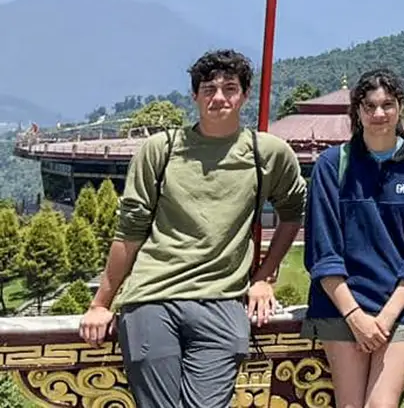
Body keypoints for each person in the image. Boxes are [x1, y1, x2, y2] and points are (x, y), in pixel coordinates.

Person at [78, 49, 308, 408]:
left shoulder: (267, 154)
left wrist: (264, 276)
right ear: (195, 95)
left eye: (230, 88)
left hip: (222, 299)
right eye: (209, 89)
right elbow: (131, 231)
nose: (219, 97)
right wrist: (100, 304)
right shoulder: (162, 150)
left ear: (245, 95)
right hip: (152, 297)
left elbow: (292, 213)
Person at [303, 68, 404, 408]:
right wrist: (355, 316)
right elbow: (323, 253)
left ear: (400, 107)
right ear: (358, 111)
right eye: (369, 106)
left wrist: (384, 319)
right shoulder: (332, 165)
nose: (379, 114)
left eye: (388, 104)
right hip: (341, 305)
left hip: (400, 304)